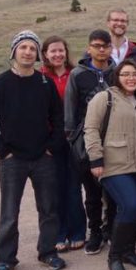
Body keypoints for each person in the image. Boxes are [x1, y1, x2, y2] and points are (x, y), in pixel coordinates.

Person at [0, 30, 66, 270]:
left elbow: (58, 119)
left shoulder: (45, 84)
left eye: (32, 48)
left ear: (38, 54)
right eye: (24, 48)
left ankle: (48, 251)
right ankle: (6, 259)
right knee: (10, 211)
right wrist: (3, 152)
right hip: (13, 160)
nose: (28, 52)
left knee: (49, 208)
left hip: (43, 157)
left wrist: (52, 147)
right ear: (14, 51)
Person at [84, 59, 136, 270]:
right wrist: (96, 159)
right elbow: (91, 129)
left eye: (135, 74)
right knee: (129, 205)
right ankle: (114, 256)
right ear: (117, 77)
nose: (131, 78)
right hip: (114, 164)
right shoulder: (105, 98)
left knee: (133, 208)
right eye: (126, 74)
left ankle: (129, 251)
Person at [64, 29, 116, 255]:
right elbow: (70, 110)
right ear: (89, 48)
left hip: (115, 140)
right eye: (97, 45)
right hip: (86, 142)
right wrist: (74, 137)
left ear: (111, 48)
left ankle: (112, 230)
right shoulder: (78, 74)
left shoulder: (118, 71)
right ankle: (94, 232)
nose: (101, 49)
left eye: (105, 45)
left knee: (113, 191)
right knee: (92, 193)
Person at [40, 36, 85, 252]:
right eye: (53, 51)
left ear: (66, 52)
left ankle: (78, 230)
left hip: (74, 139)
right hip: (51, 140)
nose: (57, 55)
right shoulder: (40, 77)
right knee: (55, 188)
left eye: (61, 51)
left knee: (74, 187)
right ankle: (60, 232)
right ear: (45, 54)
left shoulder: (75, 74)